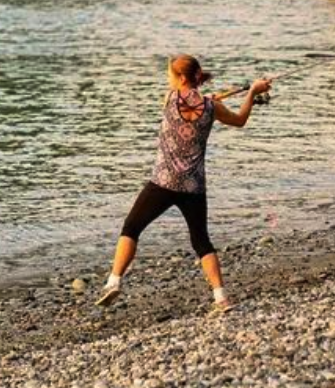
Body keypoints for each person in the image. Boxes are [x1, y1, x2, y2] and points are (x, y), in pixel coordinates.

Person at [95, 54, 271, 313]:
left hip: (163, 182)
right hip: (193, 186)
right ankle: (221, 298)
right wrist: (252, 92)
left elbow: (187, 102)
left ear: (180, 77)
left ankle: (113, 282)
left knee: (131, 227)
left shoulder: (169, 98)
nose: (168, 79)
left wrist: (208, 97)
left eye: (169, 75)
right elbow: (240, 120)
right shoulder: (212, 108)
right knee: (201, 241)